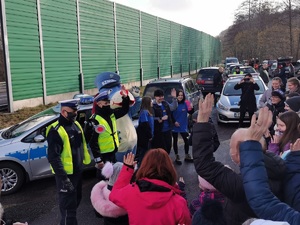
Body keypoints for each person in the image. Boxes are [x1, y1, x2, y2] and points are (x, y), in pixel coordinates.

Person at [192, 94, 285, 225]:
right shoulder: (281, 167)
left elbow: (204, 165)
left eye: (231, 147)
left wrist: (202, 123)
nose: (230, 152)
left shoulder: (244, 186)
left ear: (241, 151)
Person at [238, 107, 300, 224]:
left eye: (281, 125)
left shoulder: (291, 146)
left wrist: (254, 144)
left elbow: (278, 167)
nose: (277, 128)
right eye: (277, 125)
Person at [109, 150, 192, 225]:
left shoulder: (131, 193)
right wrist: (177, 189)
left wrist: (127, 169)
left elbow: (114, 195)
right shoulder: (178, 202)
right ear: (170, 169)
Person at [46, 100, 91, 225]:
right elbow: (53, 157)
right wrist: (64, 179)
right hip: (66, 176)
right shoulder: (56, 131)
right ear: (63, 112)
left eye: (76, 111)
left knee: (75, 202)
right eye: (73, 112)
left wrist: (90, 130)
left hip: (77, 172)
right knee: (68, 211)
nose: (75, 114)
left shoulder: (75, 124)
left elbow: (80, 145)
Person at [87, 87, 129, 178]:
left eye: (108, 102)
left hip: (112, 152)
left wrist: (125, 98)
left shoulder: (111, 114)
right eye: (106, 103)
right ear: (99, 104)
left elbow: (124, 110)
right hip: (103, 156)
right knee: (104, 179)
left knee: (112, 178)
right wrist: (98, 160)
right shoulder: (95, 121)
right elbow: (93, 143)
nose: (108, 104)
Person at [151, 89, 178, 154]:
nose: (161, 98)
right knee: (161, 149)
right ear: (155, 97)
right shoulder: (153, 105)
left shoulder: (165, 103)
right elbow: (151, 118)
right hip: (159, 131)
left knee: (168, 146)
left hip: (168, 130)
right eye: (159, 96)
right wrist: (161, 118)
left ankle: (166, 160)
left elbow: (173, 107)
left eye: (162, 96)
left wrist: (174, 98)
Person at [172, 89, 194, 165]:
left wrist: (192, 107)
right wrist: (174, 122)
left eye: (182, 95)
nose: (180, 97)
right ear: (176, 96)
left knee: (186, 140)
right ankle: (177, 156)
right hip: (175, 125)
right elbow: (170, 114)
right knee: (175, 141)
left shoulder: (186, 103)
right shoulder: (174, 103)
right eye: (179, 95)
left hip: (183, 126)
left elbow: (191, 112)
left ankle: (187, 155)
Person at [135, 96, 154, 166]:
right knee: (143, 155)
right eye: (151, 101)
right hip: (145, 138)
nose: (152, 102)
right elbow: (145, 125)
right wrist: (149, 135)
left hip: (148, 137)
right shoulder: (144, 112)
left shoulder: (147, 112)